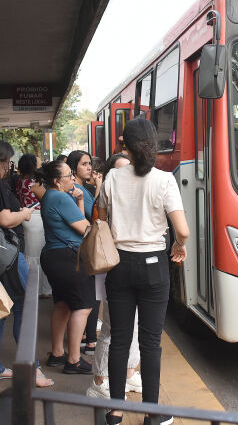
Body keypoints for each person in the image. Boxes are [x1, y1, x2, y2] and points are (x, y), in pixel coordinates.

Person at [97, 119, 189, 425]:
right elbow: (183, 230)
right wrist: (178, 246)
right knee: (150, 342)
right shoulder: (163, 180)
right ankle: (152, 413)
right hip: (153, 265)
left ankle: (115, 412)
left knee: (119, 339)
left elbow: (101, 216)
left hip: (119, 265)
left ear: (126, 145)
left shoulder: (112, 176)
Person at [0, 141, 53, 386]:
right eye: (8, 163)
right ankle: (32, 369)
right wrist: (24, 214)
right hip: (6, 254)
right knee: (24, 309)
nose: (9, 167)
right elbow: (4, 219)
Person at [86, 152, 142, 399]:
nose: (125, 174)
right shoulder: (102, 201)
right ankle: (99, 380)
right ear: (110, 175)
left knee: (136, 325)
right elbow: (99, 232)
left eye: (128, 169)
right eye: (119, 170)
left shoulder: (136, 195)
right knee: (112, 326)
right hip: (113, 267)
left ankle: (129, 374)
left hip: (134, 267)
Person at [36, 160, 94, 374]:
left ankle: (58, 353)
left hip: (54, 257)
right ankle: (74, 360)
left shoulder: (52, 196)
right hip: (68, 258)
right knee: (83, 306)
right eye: (68, 176)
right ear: (56, 181)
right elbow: (85, 227)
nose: (72, 179)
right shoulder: (60, 197)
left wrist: (78, 200)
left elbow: (76, 220)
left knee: (62, 304)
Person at [66, 150, 100, 353]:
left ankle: (89, 336)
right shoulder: (77, 188)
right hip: (86, 244)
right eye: (84, 164)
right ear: (74, 168)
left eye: (89, 163)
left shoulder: (78, 187)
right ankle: (91, 340)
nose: (89, 168)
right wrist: (100, 187)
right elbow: (93, 211)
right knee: (92, 294)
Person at [15, 153, 52, 298]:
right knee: (37, 255)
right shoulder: (33, 183)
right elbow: (46, 198)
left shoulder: (20, 181)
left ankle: (31, 287)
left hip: (25, 218)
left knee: (30, 255)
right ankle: (42, 289)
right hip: (37, 218)